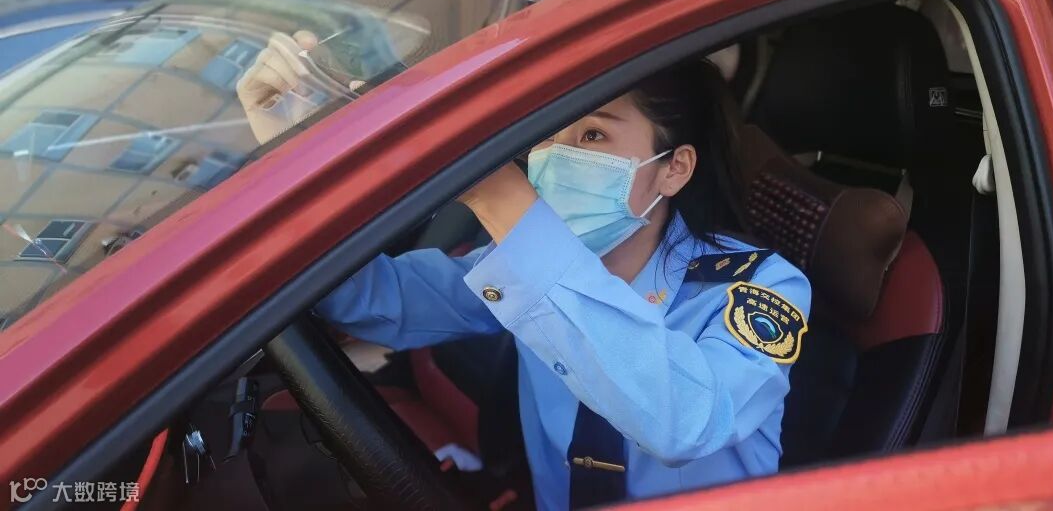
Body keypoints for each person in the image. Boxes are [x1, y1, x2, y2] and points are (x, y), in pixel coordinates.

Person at [237, 32, 812, 511]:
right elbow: (378, 301)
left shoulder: (760, 287)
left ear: (673, 169)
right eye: (547, 136)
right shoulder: (527, 262)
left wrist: (498, 195)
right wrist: (297, 167)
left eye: (592, 134)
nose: (557, 157)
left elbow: (685, 424)